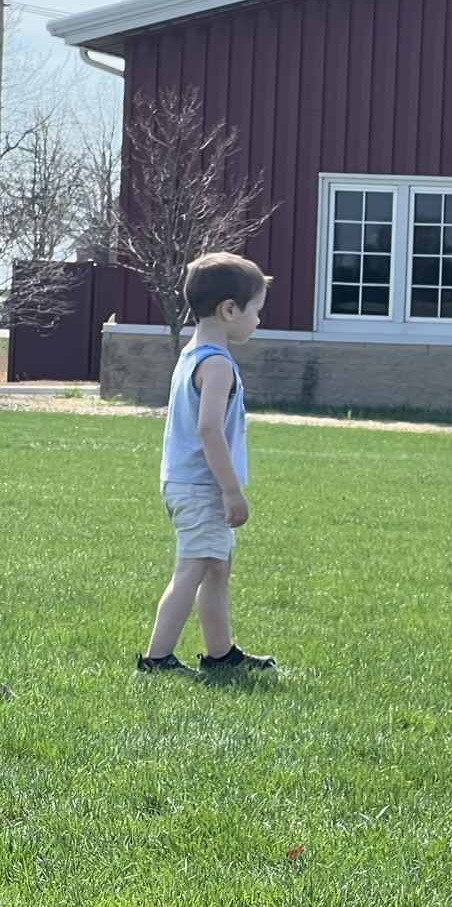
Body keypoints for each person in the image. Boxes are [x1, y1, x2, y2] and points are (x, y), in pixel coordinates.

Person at [138, 252, 278, 675]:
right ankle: (156, 659)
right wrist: (231, 490)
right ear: (229, 309)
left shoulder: (192, 353)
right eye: (256, 311)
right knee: (193, 568)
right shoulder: (216, 365)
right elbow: (209, 429)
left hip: (185, 482)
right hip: (202, 486)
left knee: (217, 565)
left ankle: (220, 653)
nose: (258, 321)